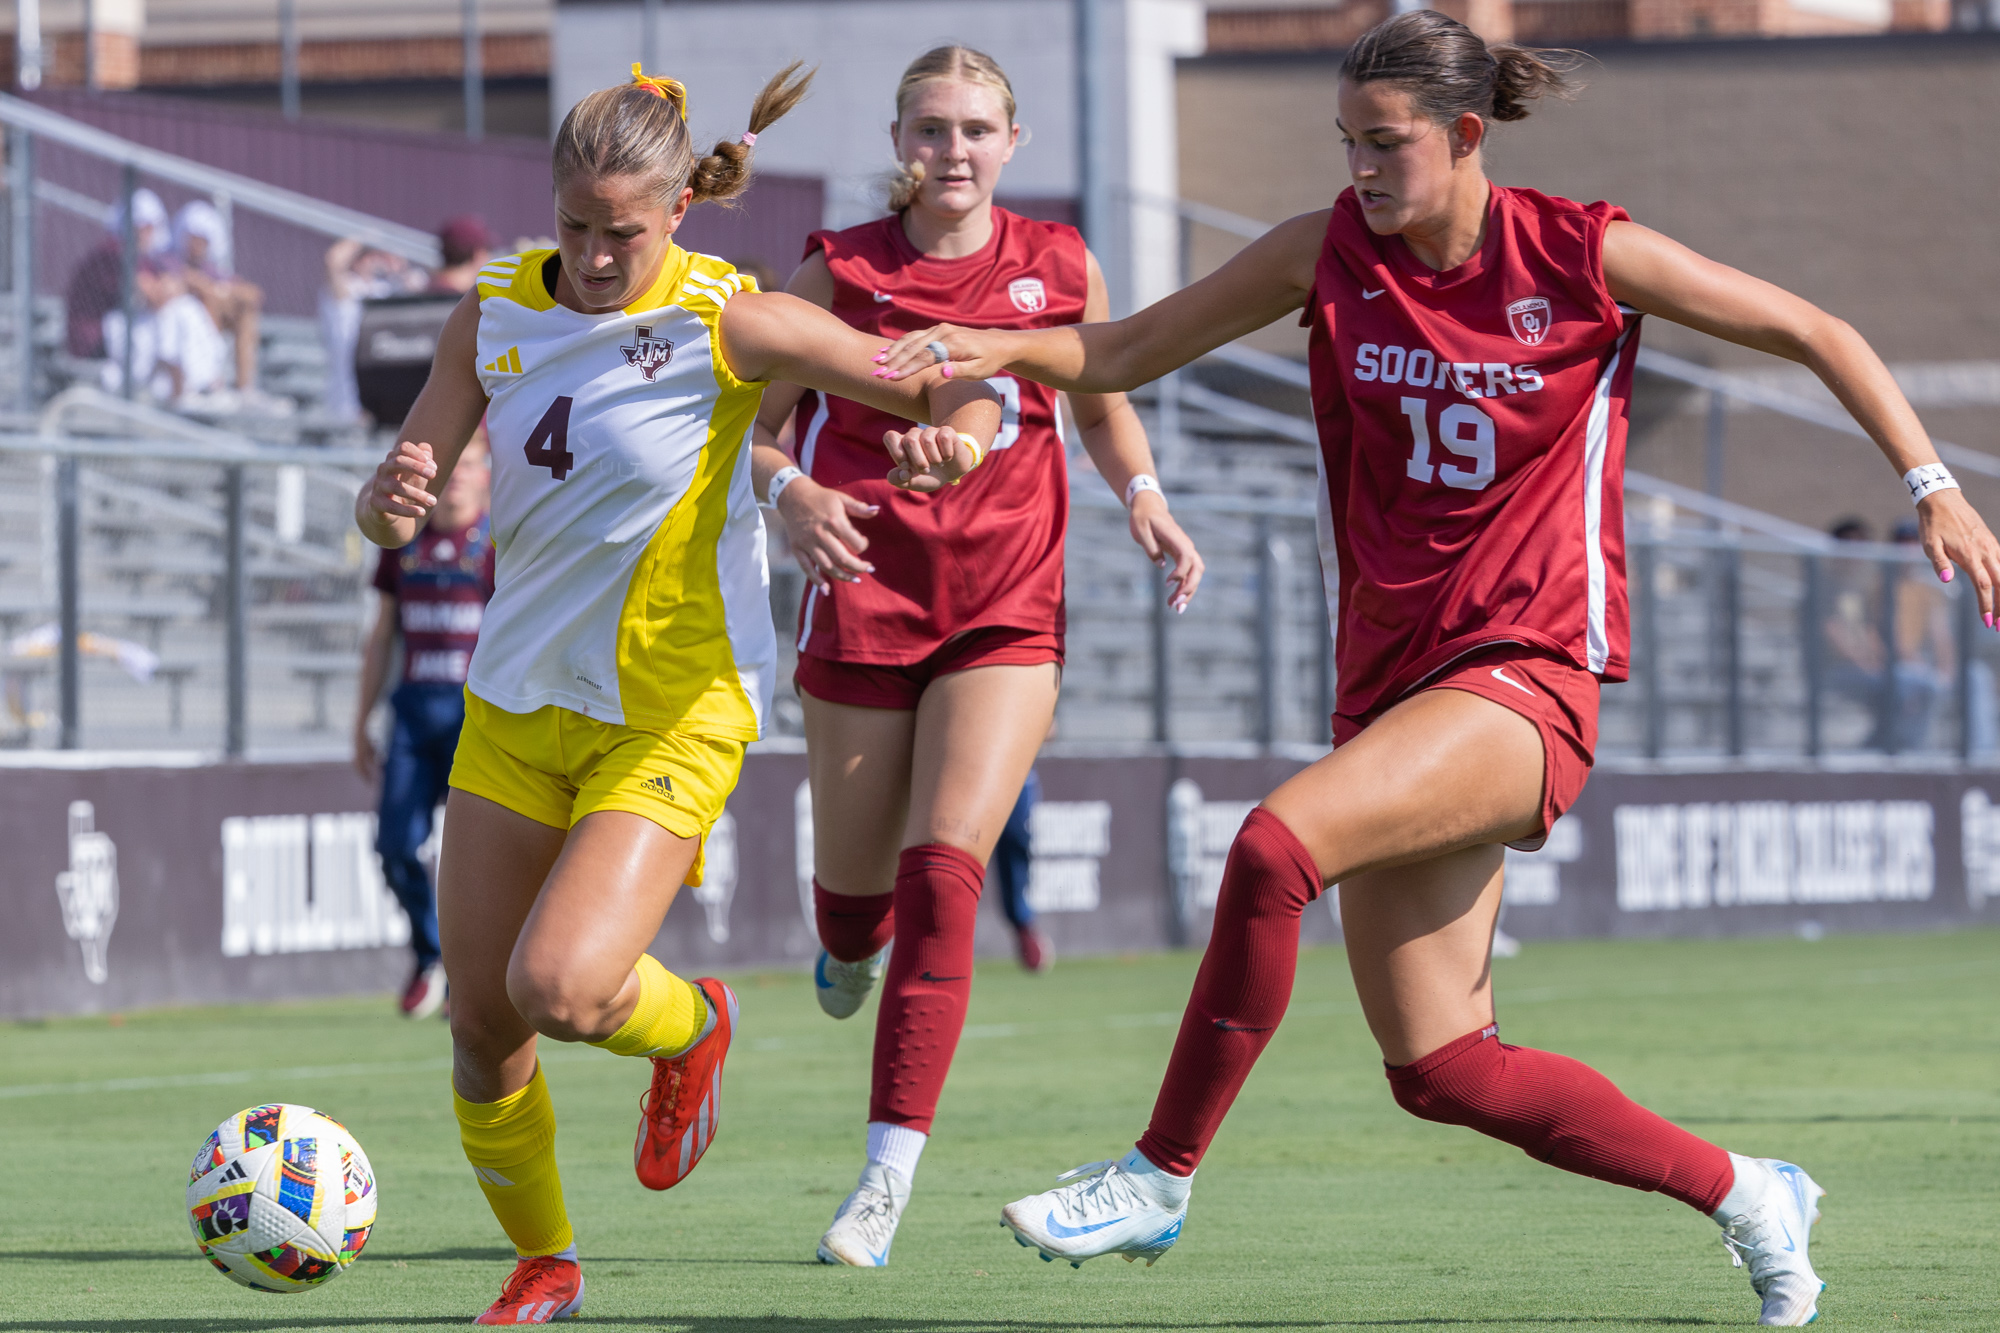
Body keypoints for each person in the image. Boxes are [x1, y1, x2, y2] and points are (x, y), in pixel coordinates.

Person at [873, 13, 2000, 1324]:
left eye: (1386, 143)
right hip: (1397, 682)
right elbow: (1121, 355)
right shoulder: (1326, 251)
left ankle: (1157, 1175)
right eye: (1346, 142)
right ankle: (1751, 1191)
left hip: (1529, 669)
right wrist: (993, 347)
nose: (1360, 167)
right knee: (1443, 1065)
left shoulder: (1581, 252)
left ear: (1466, 138)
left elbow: (1817, 328)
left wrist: (1932, 483)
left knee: (1272, 848)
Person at [353, 62, 1000, 1326]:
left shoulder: (732, 320)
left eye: (625, 233)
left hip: (673, 704)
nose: (596, 258)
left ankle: (695, 1022)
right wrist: (386, 500)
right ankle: (545, 1264)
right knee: (484, 1030)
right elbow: (403, 484)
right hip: (512, 705)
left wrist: (957, 437)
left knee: (565, 988)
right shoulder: (488, 309)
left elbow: (941, 378)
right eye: (577, 228)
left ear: (678, 217)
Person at [745, 45, 1204, 1269]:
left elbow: (1097, 389)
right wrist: (788, 492)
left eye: (976, 129)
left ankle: (883, 1178)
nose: (954, 150)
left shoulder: (1056, 264)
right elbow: (755, 429)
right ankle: (844, 945)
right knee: (854, 917)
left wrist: (1143, 495)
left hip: (1005, 608)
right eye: (932, 128)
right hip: (860, 601)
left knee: (944, 871)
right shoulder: (839, 267)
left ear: (1015, 142)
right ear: (900, 139)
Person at [354, 431, 495, 1020]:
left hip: (480, 722)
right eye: (449, 466)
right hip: (413, 715)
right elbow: (382, 632)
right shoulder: (402, 543)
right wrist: (361, 718)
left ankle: (475, 973)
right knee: (393, 847)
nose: (456, 477)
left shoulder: (503, 541)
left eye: (468, 464)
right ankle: (430, 954)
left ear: (489, 471)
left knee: (483, 863)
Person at [992, 769, 1052, 971]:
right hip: (978, 774)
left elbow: (1049, 735)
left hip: (1016, 778)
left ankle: (1025, 929)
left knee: (1017, 848)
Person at [430, 215, 498, 296]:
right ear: (478, 254)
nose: (489, 258)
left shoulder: (424, 293)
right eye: (488, 250)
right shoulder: (473, 304)